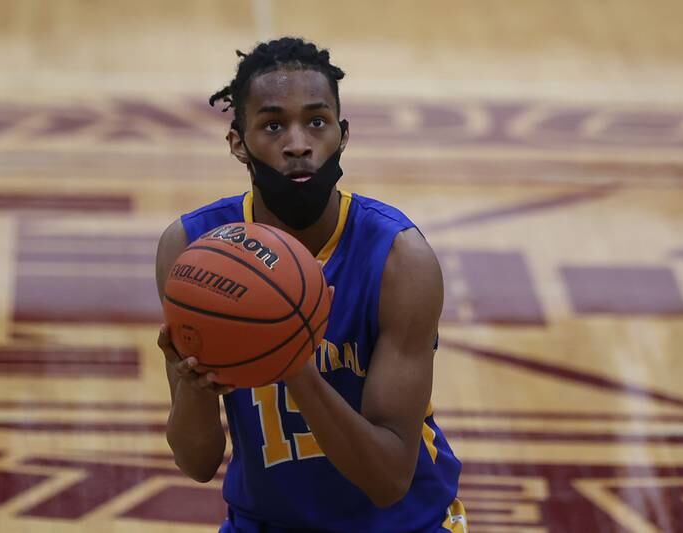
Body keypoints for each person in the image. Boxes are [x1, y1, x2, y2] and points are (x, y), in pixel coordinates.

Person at [155, 37, 465, 533]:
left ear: (343, 135)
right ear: (238, 142)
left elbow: (388, 480)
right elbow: (197, 464)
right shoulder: (193, 251)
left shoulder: (399, 259)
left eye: (316, 122)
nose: (298, 144)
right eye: (273, 125)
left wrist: (295, 363)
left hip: (404, 526)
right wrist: (192, 391)